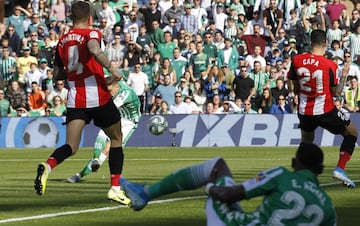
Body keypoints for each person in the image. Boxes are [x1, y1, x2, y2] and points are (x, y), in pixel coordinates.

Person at [33, 1, 131, 205]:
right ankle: (115, 188)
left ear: (70, 18)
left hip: (75, 97)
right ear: (90, 19)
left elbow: (57, 74)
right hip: (97, 96)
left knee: (71, 145)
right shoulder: (91, 33)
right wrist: (112, 69)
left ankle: (48, 165)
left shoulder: (62, 41)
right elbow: (94, 49)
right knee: (116, 139)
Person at [120, 143, 336, 226]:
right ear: (320, 170)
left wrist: (210, 188)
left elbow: (230, 196)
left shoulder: (282, 175)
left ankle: (146, 193)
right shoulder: (327, 206)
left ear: (293, 163)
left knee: (217, 166)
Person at [288, 29, 358, 188]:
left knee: (306, 141)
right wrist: (345, 74)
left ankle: (298, 175)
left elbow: (292, 84)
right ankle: (340, 168)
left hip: (304, 111)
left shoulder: (297, 60)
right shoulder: (330, 65)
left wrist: (298, 93)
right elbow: (336, 93)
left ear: (310, 42)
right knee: (352, 133)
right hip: (325, 109)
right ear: (326, 43)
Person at [68, 76, 141, 183]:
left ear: (116, 87)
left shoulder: (126, 94)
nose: (109, 93)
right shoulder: (116, 85)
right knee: (102, 133)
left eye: (110, 91)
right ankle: (96, 160)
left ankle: (80, 174)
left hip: (129, 122)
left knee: (108, 148)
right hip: (120, 116)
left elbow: (110, 107)